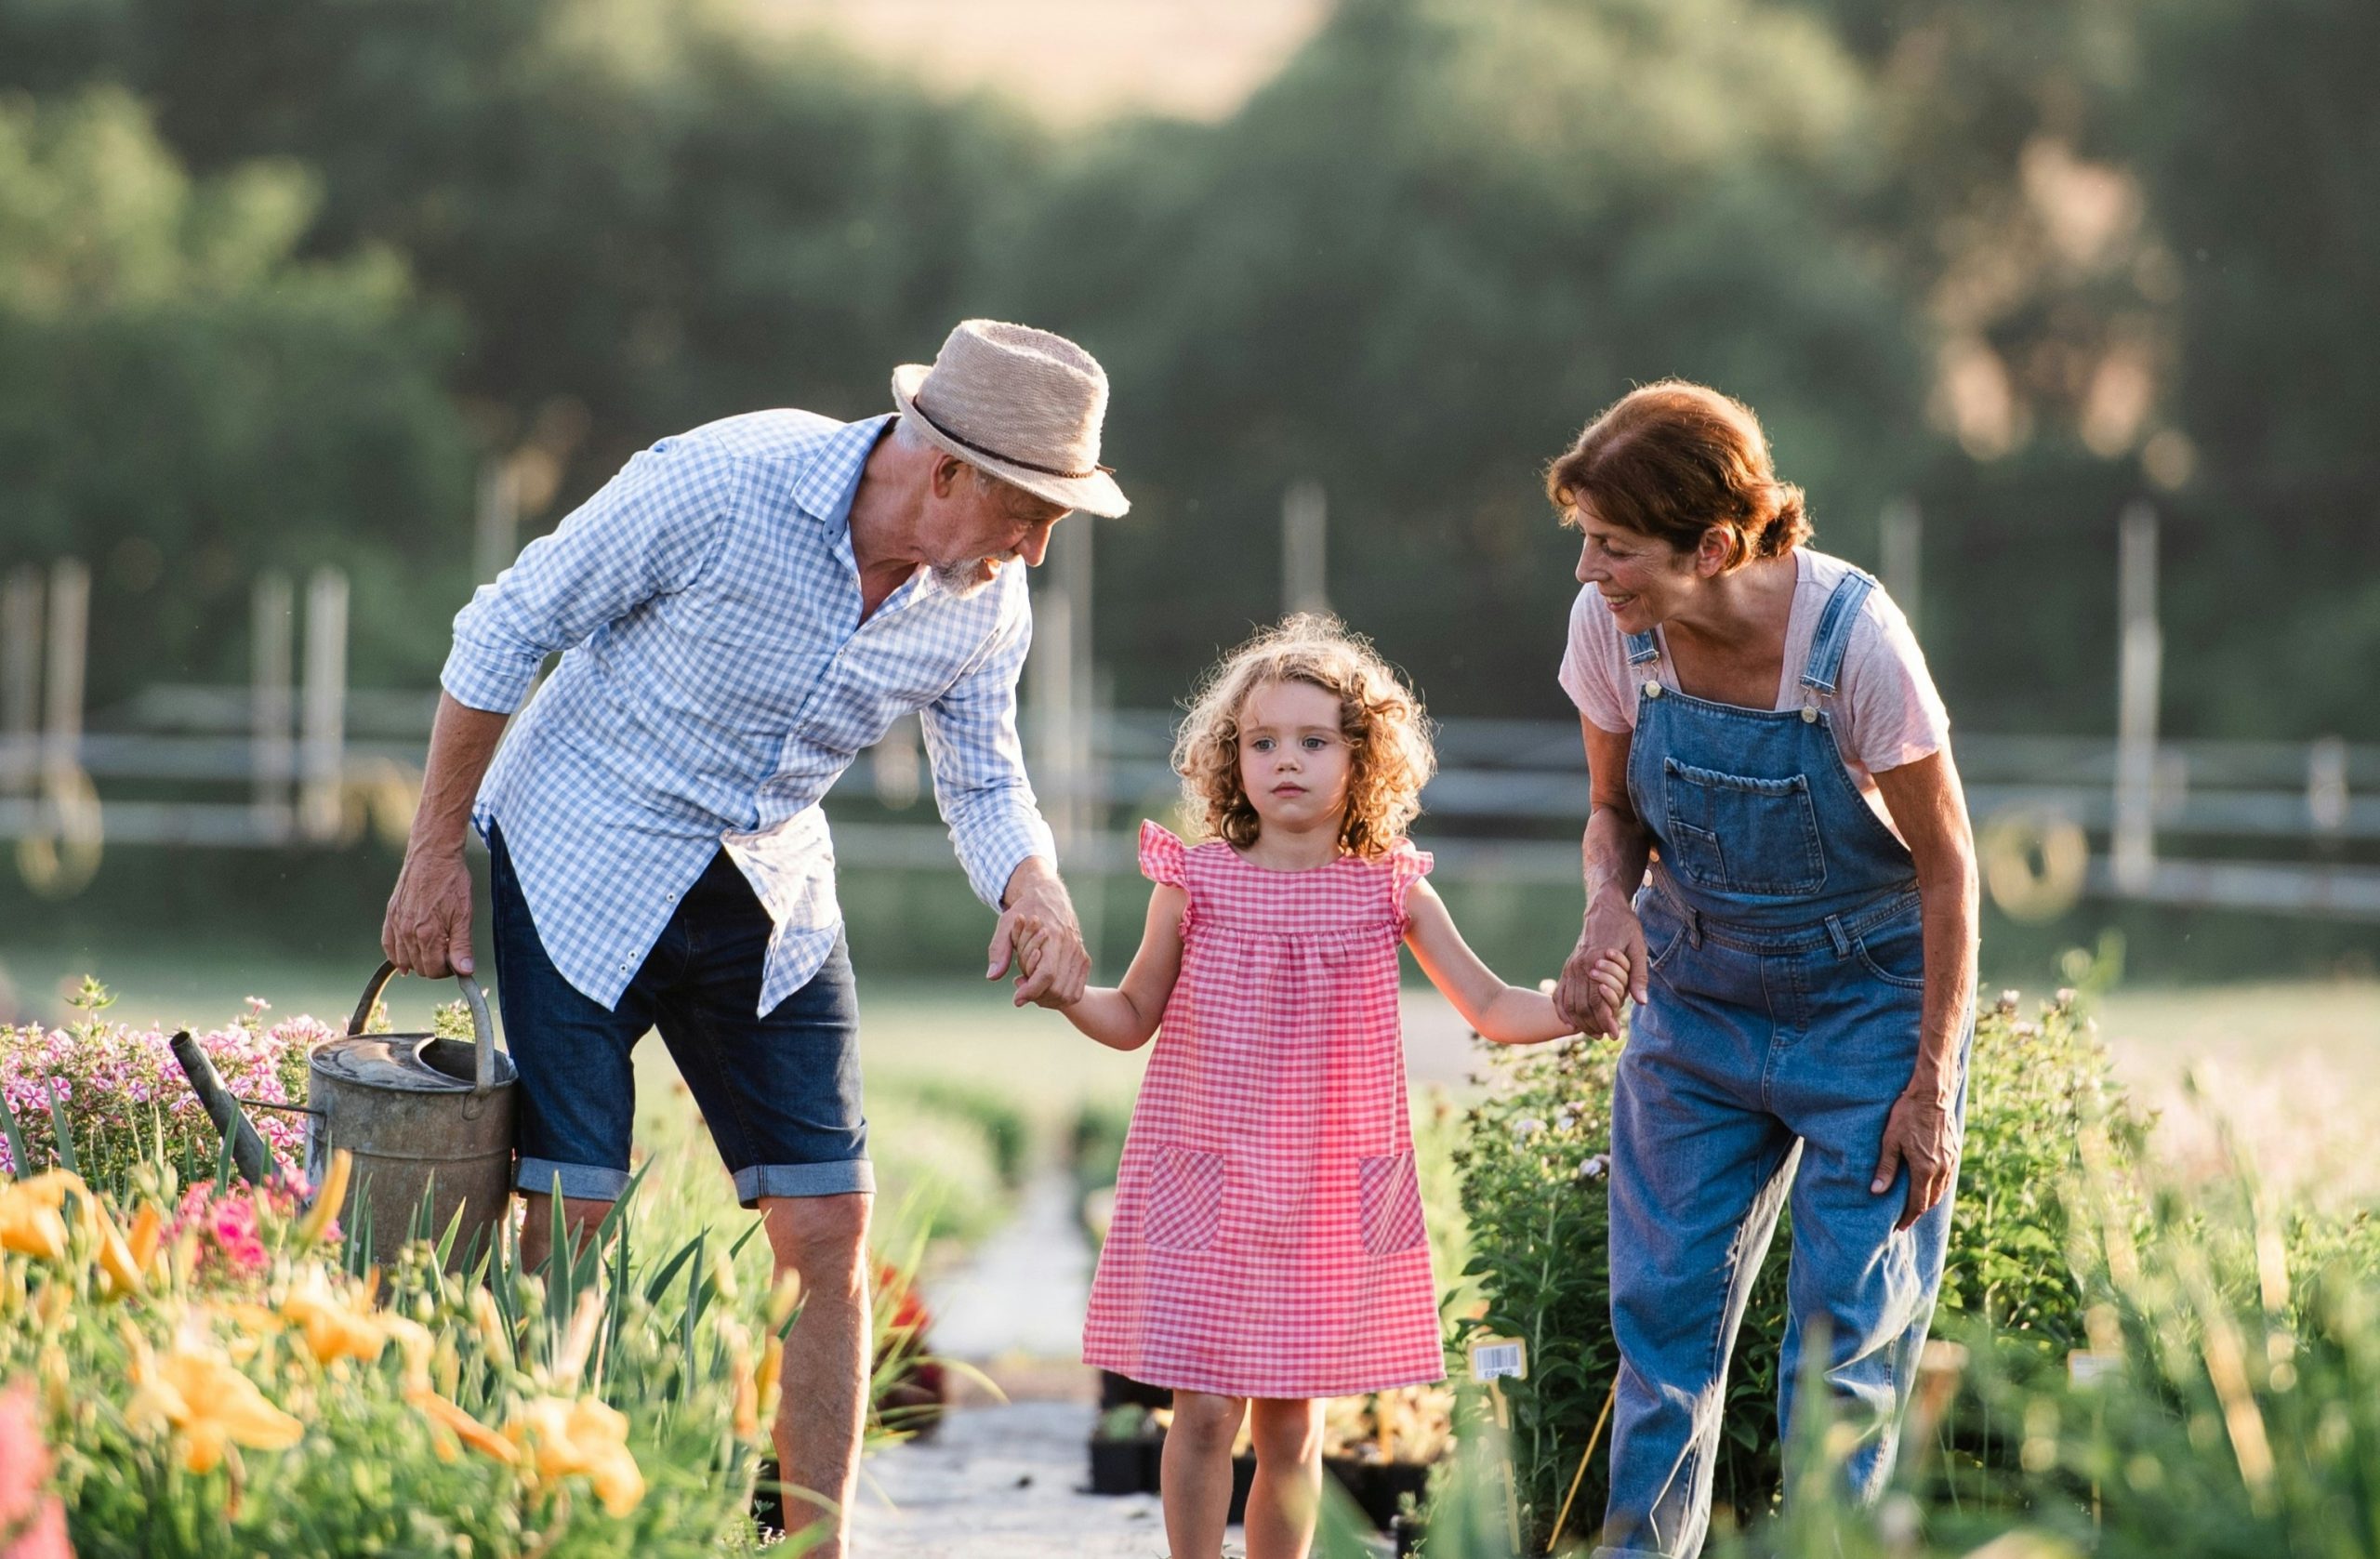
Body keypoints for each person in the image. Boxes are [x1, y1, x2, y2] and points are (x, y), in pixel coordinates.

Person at [378, 320, 1129, 1558]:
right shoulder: (721, 481)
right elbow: (504, 629)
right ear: (943, 469)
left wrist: (1033, 885)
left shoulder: (987, 602)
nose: (1038, 544)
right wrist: (430, 856)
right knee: (571, 1210)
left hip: (769, 888)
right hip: (583, 848)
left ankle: (814, 1548)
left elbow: (985, 770)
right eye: (1029, 509)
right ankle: (529, 1518)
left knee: (832, 1227)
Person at [1545, 382, 1979, 1558]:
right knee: (1662, 1329)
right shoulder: (1613, 629)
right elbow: (1609, 809)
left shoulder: (1855, 644)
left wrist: (1929, 1082)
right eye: (1585, 539)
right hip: (1699, 1005)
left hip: (1870, 1016)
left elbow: (1948, 871)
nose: (1590, 570)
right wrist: (1605, 906)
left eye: (1614, 546)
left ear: (1715, 546)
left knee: (1843, 1357)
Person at [1038, 615, 1576, 1559]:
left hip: (1323, 1187)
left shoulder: (1391, 891)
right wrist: (1064, 994)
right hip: (1205, 1180)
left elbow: (1490, 1004)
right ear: (1229, 758)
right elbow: (1129, 1016)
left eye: (1314, 741)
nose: (1285, 760)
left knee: (1291, 1426)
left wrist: (1576, 1008)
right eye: (1262, 742)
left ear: (1362, 758)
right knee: (1202, 1410)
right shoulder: (1193, 883)